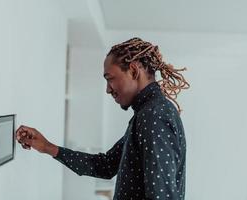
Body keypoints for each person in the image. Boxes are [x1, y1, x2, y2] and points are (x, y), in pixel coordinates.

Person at [16, 37, 190, 200]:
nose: (108, 89)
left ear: (134, 71)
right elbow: (106, 166)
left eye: (110, 79)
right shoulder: (147, 114)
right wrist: (47, 147)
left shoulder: (153, 116)